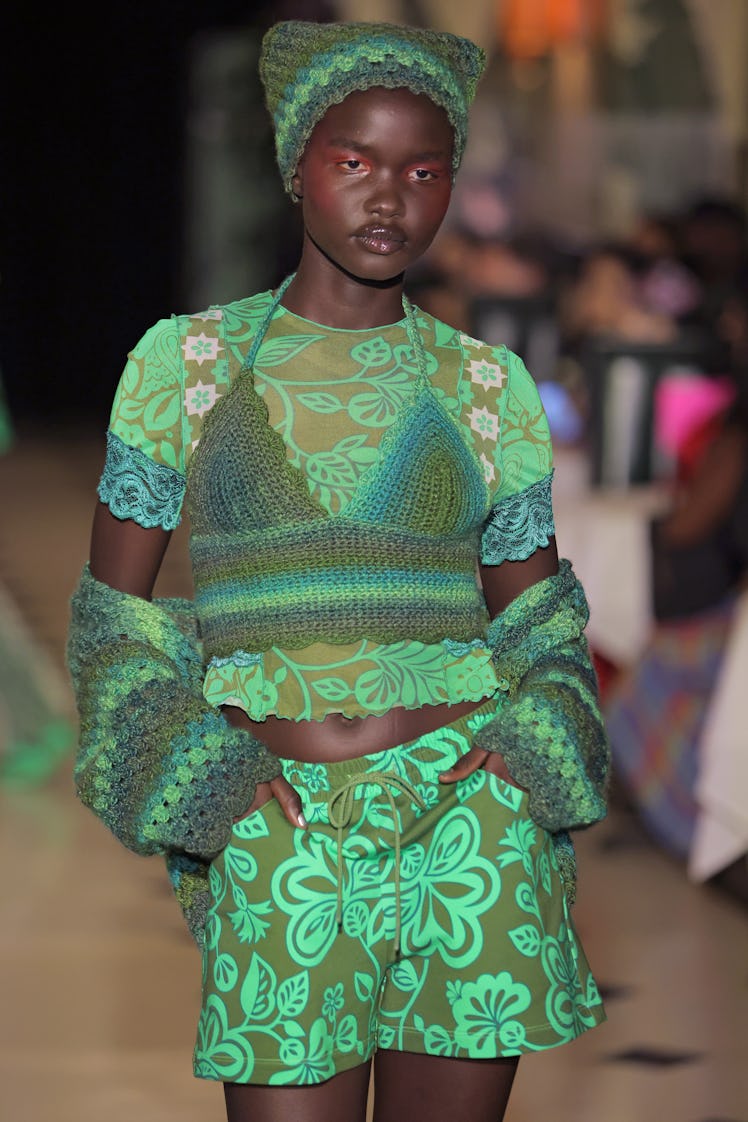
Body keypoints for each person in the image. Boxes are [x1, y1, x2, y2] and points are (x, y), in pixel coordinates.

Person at [66, 20, 610, 1122]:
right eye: (353, 162)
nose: (388, 198)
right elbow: (111, 620)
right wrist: (207, 778)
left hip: (471, 828)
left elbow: (539, 621)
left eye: (422, 171)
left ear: (451, 183)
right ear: (296, 169)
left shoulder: (484, 384)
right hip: (281, 830)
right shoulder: (185, 364)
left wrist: (524, 753)